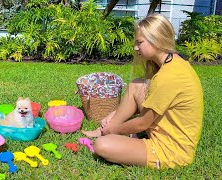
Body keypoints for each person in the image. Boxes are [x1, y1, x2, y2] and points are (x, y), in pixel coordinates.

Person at [82, 14, 204, 169]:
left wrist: (114, 130)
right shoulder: (173, 63)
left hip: (171, 151)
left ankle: (108, 132)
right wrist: (115, 117)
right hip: (164, 131)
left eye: (140, 42)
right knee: (137, 85)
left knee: (102, 145)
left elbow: (143, 123)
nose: (135, 47)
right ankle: (106, 129)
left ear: (157, 40)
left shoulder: (169, 76)